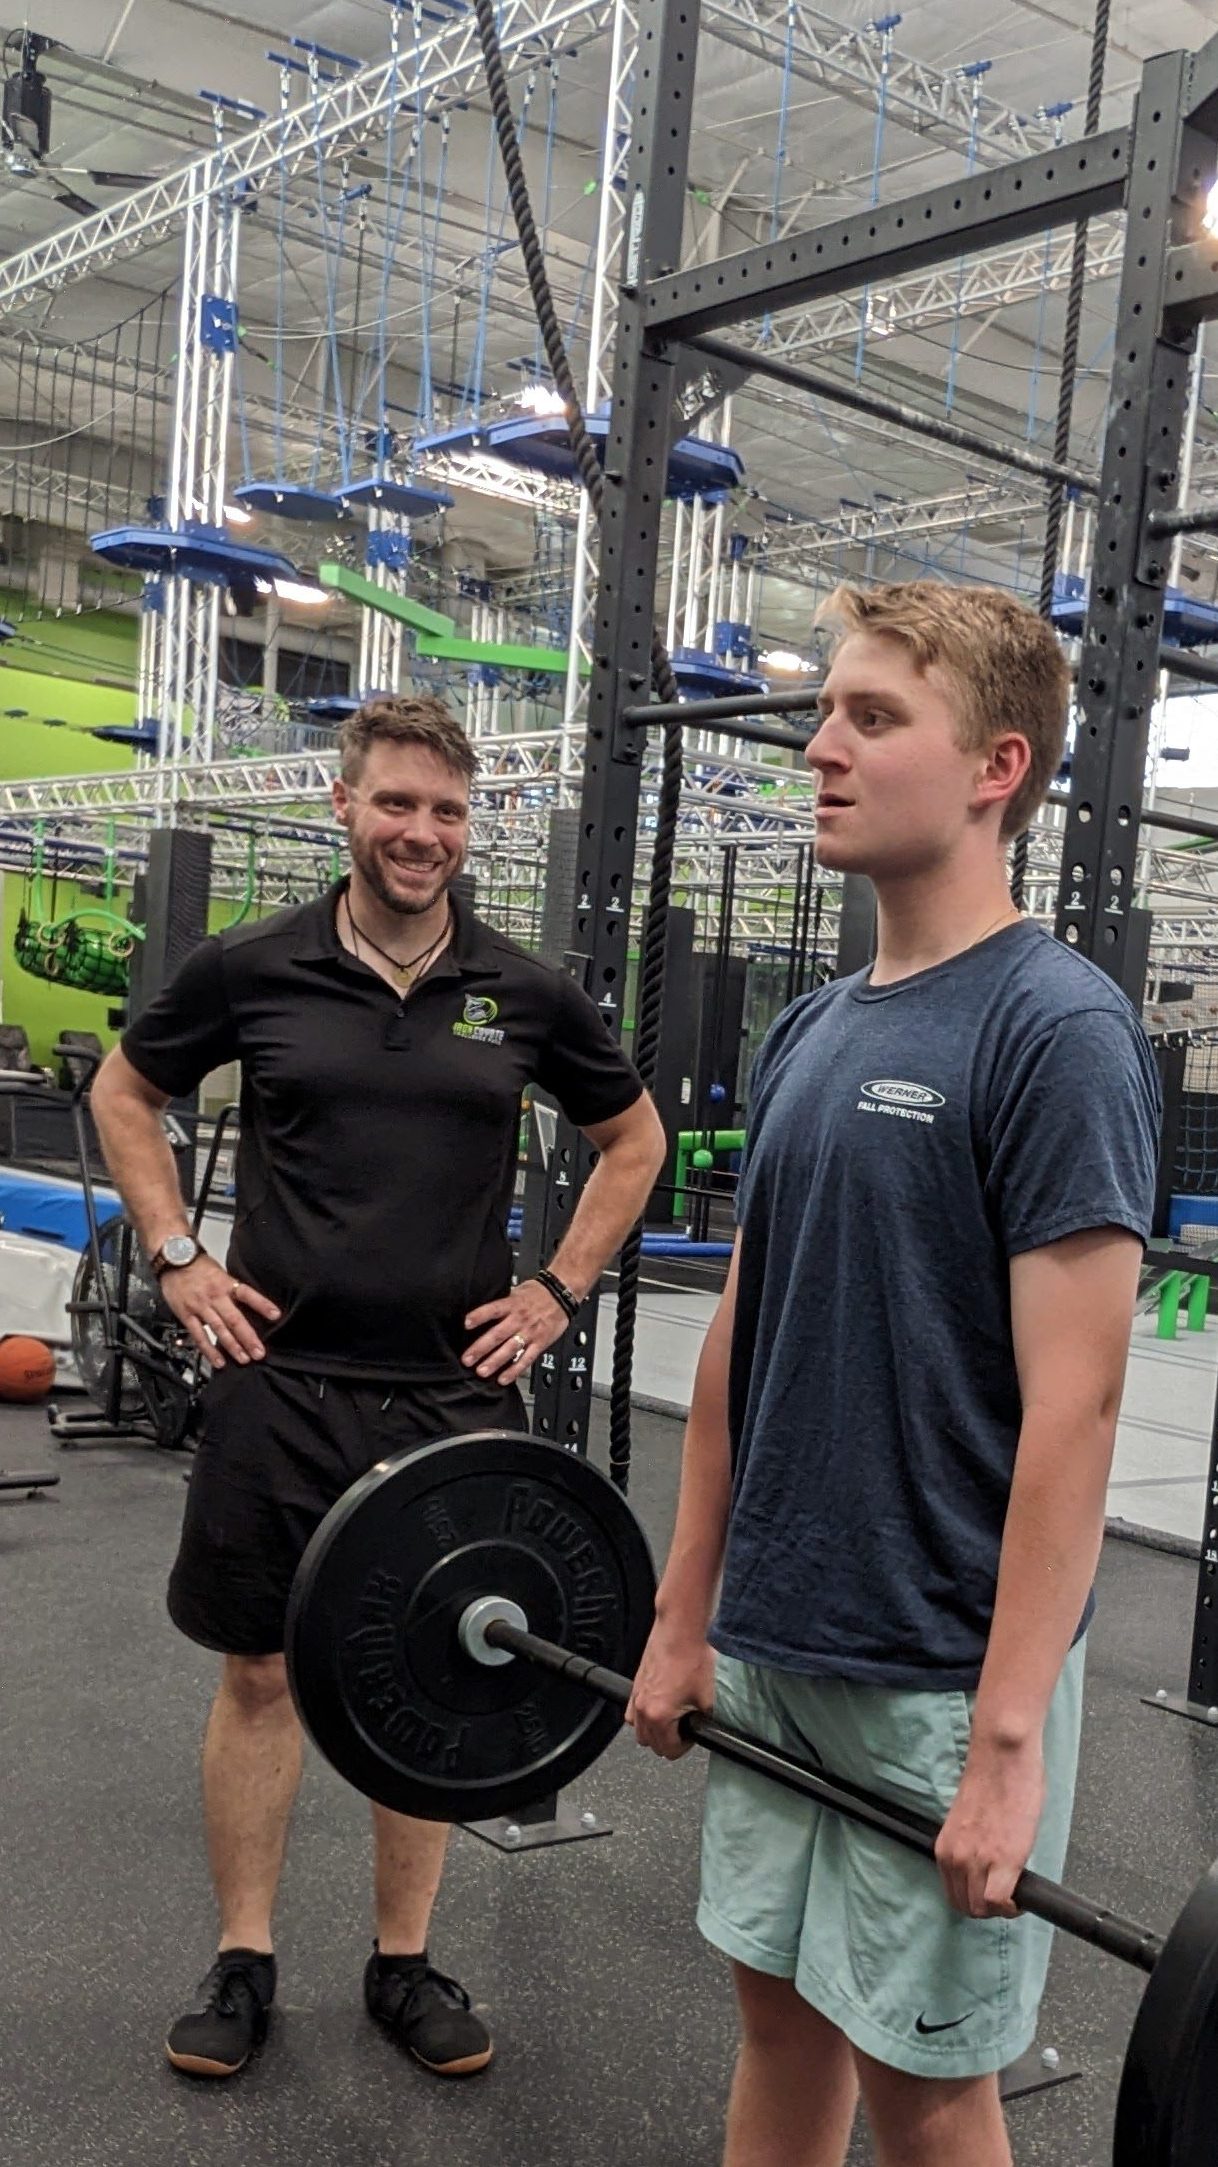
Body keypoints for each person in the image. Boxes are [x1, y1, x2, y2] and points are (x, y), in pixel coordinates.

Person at [627, 581, 1161, 2167]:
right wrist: (681, 1611)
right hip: (776, 1630)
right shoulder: (806, 1033)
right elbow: (739, 1345)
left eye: (872, 717)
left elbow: (1075, 1410)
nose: (821, 747)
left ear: (996, 767)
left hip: (935, 1669)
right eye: (826, 713)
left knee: (924, 2090)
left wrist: (1006, 1747)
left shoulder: (1055, 1031)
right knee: (776, 2021)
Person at [90, 693, 665, 2087]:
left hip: (448, 1396)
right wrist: (175, 1256)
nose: (422, 833)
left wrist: (558, 1289)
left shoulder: (522, 990)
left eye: (448, 811)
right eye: (397, 804)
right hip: (279, 1380)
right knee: (260, 1673)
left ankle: (403, 1964)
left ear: (474, 825)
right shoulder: (253, 966)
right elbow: (122, 1092)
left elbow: (634, 1138)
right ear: (344, 805)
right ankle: (243, 1958)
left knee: (440, 1674)